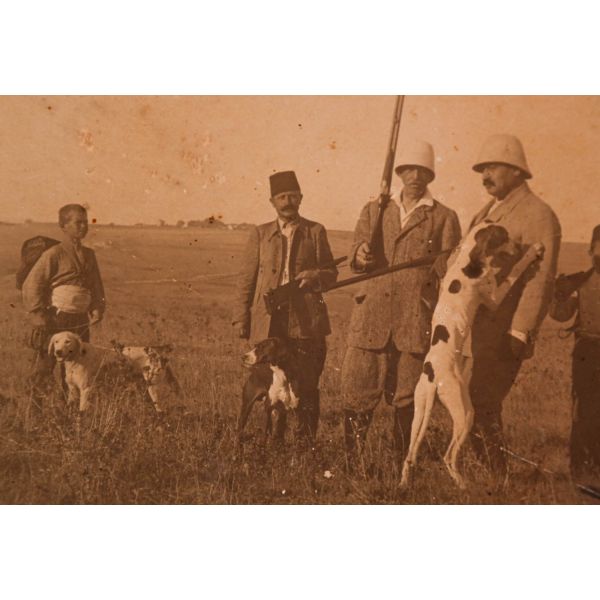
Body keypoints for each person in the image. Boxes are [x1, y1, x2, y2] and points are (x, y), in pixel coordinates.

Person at [340, 140, 461, 461]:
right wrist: (361, 255)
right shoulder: (374, 209)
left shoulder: (444, 217)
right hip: (371, 319)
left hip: (414, 321)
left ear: (430, 176)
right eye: (409, 170)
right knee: (358, 390)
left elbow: (450, 272)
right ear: (400, 173)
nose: (415, 177)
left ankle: (400, 466)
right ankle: (353, 464)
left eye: (423, 171)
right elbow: (356, 254)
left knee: (408, 396)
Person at [465, 134, 561, 475]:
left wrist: (520, 331)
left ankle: (497, 477)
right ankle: (486, 473)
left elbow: (541, 279)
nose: (485, 175)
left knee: (485, 399)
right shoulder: (488, 211)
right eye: (483, 169)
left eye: (493, 167)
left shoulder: (538, 214)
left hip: (504, 330)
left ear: (517, 170)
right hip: (475, 327)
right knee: (472, 398)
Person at [233, 170, 338, 441]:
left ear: (301, 198)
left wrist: (316, 276)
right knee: (269, 385)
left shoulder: (315, 231)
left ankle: (306, 445)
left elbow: (331, 274)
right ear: (272, 202)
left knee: (307, 385)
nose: (287, 202)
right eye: (281, 197)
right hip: (269, 324)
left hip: (306, 324)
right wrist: (241, 319)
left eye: (292, 196)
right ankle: (272, 443)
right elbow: (246, 279)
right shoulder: (259, 234)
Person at [22, 204, 106, 409]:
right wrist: (37, 314)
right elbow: (32, 284)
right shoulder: (53, 254)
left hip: (80, 320)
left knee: (77, 366)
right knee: (45, 365)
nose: (83, 226)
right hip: (55, 318)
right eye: (78, 222)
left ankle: (71, 411)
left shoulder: (89, 255)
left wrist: (97, 306)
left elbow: (96, 285)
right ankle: (34, 411)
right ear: (63, 226)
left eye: (85, 222)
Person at [549, 225, 600, 478]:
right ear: (590, 251)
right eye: (598, 253)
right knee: (584, 408)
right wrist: (557, 294)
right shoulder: (580, 281)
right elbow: (560, 315)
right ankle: (582, 466)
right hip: (587, 351)